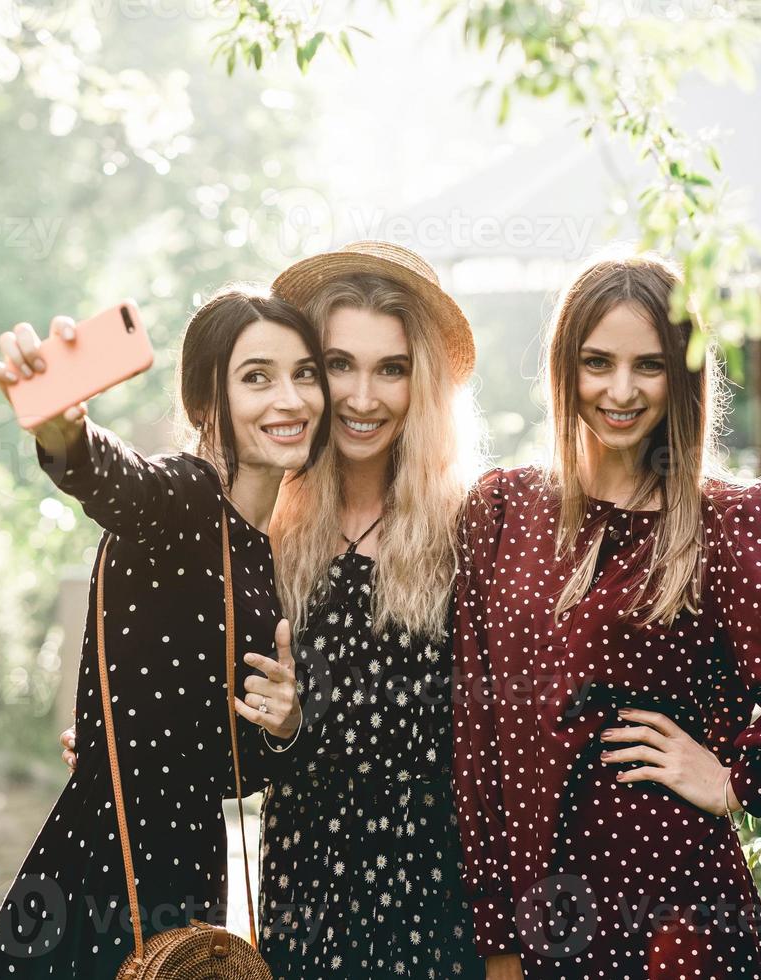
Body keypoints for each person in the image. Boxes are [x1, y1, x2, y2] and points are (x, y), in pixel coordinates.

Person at [451, 251, 761, 979]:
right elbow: (475, 743)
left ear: (684, 374)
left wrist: (737, 774)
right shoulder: (502, 510)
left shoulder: (730, 525)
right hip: (534, 925)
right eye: (597, 362)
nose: (620, 390)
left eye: (650, 366)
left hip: (675, 918)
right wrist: (496, 938)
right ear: (563, 367)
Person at [0, 286, 327, 978]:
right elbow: (120, 482)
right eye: (256, 377)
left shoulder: (264, 555)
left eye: (304, 374)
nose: (289, 399)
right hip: (102, 873)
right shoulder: (184, 496)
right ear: (206, 404)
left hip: (189, 877)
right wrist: (61, 430)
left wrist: (283, 724)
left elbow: (238, 774)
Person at [257, 241, 489, 978]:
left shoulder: (473, 528)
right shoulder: (267, 527)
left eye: (391, 369)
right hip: (303, 889)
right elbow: (232, 711)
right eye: (339, 365)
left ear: (421, 384)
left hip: (430, 899)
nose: (363, 397)